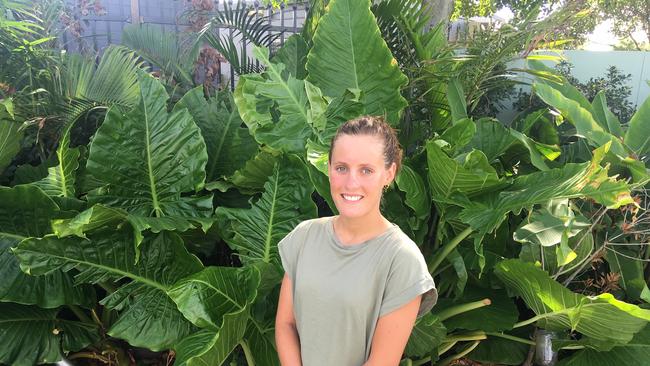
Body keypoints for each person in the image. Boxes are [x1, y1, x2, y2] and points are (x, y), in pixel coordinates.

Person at [275, 116, 437, 366]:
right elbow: (286, 324)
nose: (351, 183)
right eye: (341, 168)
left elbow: (382, 361)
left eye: (366, 170)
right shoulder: (304, 236)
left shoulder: (402, 259)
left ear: (389, 173)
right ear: (329, 168)